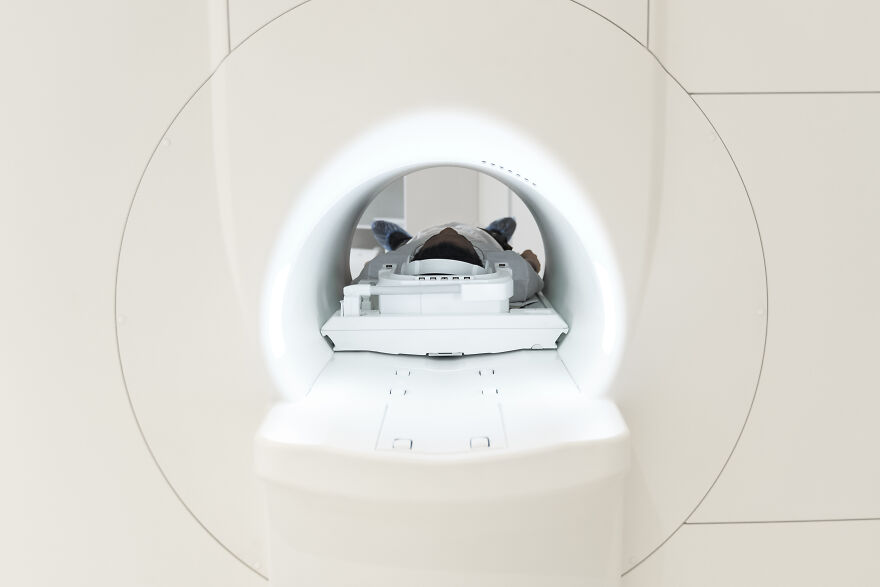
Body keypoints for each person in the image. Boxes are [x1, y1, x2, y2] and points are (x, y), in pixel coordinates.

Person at [355, 217, 543, 303]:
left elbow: (364, 274)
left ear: (412, 258)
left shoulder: (401, 258)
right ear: (480, 259)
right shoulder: (513, 284)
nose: (448, 228)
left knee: (383, 231)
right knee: (505, 226)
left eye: (445, 233)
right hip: (485, 237)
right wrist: (526, 261)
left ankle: (397, 239)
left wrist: (373, 264)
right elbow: (532, 258)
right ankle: (497, 232)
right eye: (454, 235)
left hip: (413, 242)